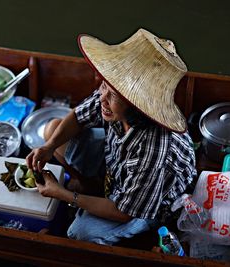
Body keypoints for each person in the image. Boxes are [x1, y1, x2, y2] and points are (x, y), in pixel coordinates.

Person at [26, 28, 197, 245]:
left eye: (113, 95)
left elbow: (125, 212)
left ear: (138, 106)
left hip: (146, 205)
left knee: (80, 233)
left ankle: (97, 201)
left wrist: (64, 195)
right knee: (53, 131)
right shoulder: (110, 98)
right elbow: (78, 117)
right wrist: (48, 147)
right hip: (117, 167)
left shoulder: (154, 149)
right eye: (105, 85)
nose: (103, 97)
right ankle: (90, 187)